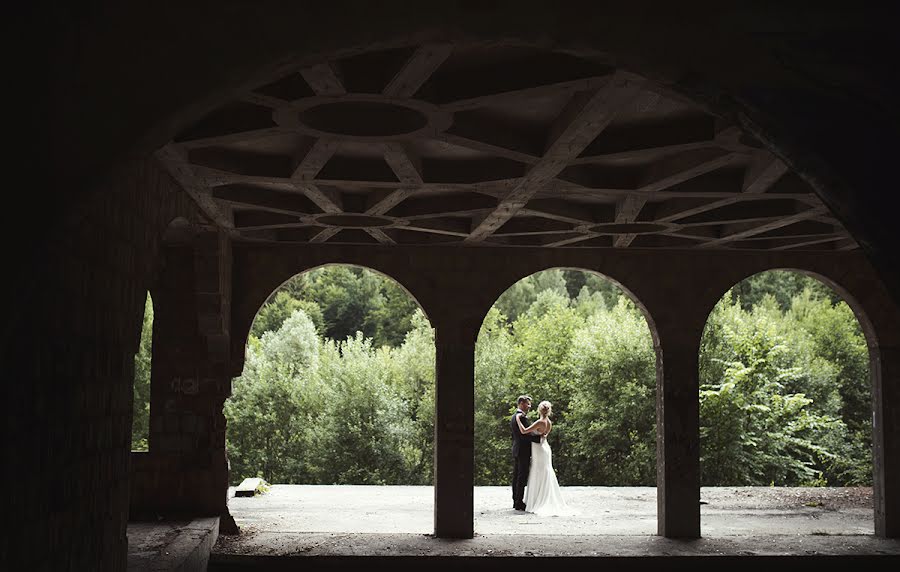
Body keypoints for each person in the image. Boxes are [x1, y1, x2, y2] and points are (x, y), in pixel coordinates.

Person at [516, 400, 576, 516]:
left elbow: (523, 431)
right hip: (545, 448)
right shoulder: (548, 422)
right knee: (545, 472)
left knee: (538, 472)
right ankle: (544, 496)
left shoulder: (540, 422)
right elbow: (545, 435)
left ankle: (537, 500)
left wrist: (518, 419)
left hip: (539, 449)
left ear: (539, 410)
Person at [511, 395, 542, 511]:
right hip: (522, 450)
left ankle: (516, 500)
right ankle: (519, 502)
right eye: (527, 404)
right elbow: (525, 436)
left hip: (517, 449)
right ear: (521, 404)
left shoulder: (515, 416)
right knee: (521, 476)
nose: (529, 406)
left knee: (516, 477)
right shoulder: (521, 417)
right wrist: (539, 439)